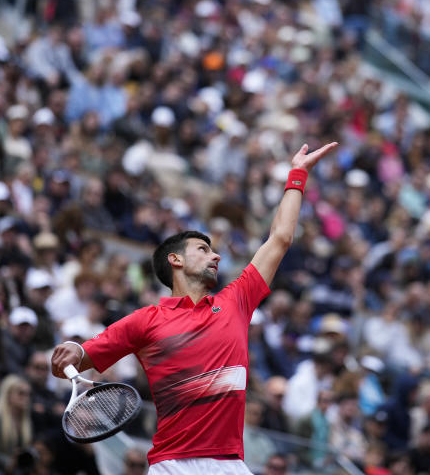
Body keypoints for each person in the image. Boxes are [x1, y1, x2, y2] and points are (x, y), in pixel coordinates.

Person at [51, 142, 337, 474]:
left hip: (230, 464)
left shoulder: (236, 301)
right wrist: (69, 350)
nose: (216, 256)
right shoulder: (145, 321)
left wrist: (297, 174)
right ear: (175, 260)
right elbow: (79, 357)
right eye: (203, 249)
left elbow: (280, 238)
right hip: (171, 465)